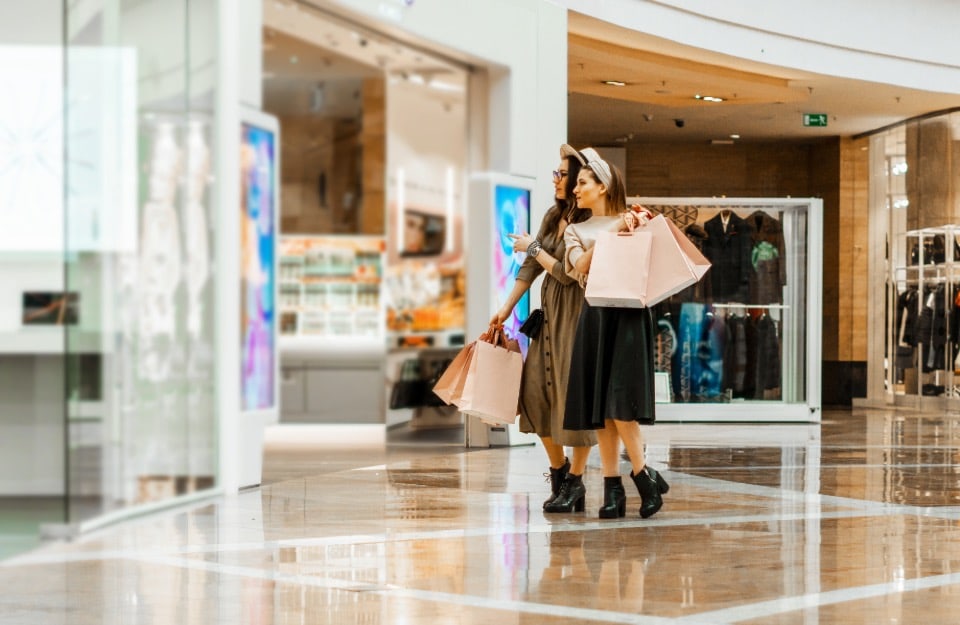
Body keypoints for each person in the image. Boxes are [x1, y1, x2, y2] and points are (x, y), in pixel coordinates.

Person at [562, 147, 670, 519]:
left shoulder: (634, 219)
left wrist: (635, 224)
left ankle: (641, 476)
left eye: (581, 182)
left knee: (620, 402)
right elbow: (578, 266)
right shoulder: (575, 230)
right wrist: (612, 234)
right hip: (595, 315)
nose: (575, 189)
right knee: (601, 409)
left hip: (628, 314)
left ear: (602, 185)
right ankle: (615, 490)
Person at [490, 144, 597, 513]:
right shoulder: (554, 215)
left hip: (576, 312)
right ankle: (559, 471)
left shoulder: (589, 223)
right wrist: (505, 308)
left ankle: (576, 483)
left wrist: (533, 248)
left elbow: (568, 275)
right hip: (549, 313)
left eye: (561, 174)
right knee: (535, 396)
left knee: (573, 399)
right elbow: (531, 268)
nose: (556, 179)